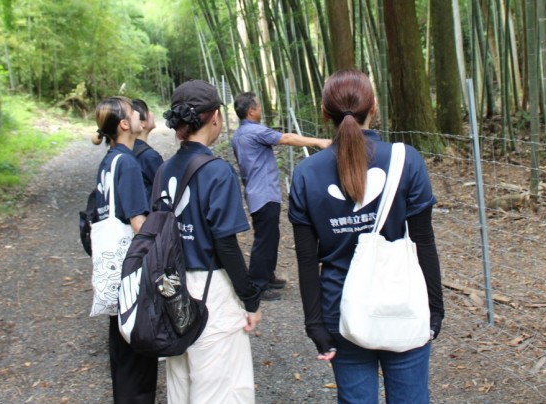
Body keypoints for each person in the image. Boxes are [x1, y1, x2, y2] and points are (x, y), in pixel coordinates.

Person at [288, 70, 444, 403]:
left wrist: (314, 323)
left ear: (324, 112)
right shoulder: (406, 161)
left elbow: (306, 259)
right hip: (401, 303)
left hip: (340, 310)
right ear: (373, 106)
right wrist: (435, 309)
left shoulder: (306, 174)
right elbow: (424, 243)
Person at [158, 80, 262, 403]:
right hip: (211, 293)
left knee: (181, 383)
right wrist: (251, 299)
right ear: (215, 117)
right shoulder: (218, 172)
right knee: (222, 389)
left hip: (171, 289)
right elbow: (226, 246)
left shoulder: (163, 171)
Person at [231, 91, 330, 301]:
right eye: (258, 105)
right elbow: (287, 138)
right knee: (264, 239)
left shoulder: (238, 134)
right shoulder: (255, 131)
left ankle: (267, 276)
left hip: (257, 192)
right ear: (251, 111)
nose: (261, 108)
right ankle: (258, 284)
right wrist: (319, 142)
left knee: (270, 236)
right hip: (264, 193)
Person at [91, 96, 157, 404]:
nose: (139, 115)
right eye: (133, 112)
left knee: (121, 349)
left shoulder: (109, 161)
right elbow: (138, 223)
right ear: (124, 124)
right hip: (130, 271)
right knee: (138, 355)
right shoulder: (128, 163)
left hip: (112, 272)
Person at [130, 98, 164, 195]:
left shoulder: (126, 149)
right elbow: (165, 188)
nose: (151, 113)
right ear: (142, 123)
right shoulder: (149, 156)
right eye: (148, 110)